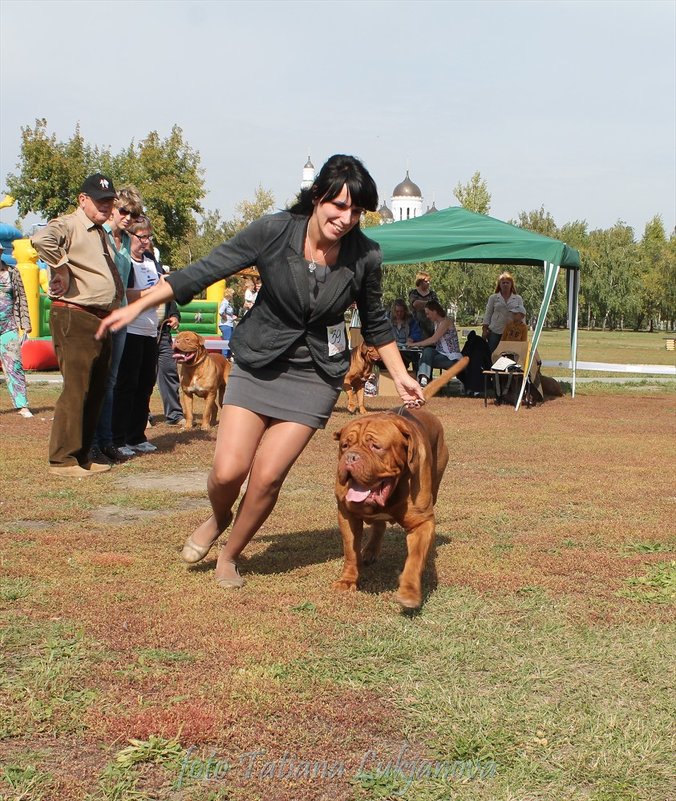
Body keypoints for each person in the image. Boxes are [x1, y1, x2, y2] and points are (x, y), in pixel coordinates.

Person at [96, 154, 424, 588]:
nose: (347, 219)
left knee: (268, 476)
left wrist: (399, 373)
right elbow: (209, 267)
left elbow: (377, 320)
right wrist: (140, 303)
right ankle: (217, 518)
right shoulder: (274, 231)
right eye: (339, 206)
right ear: (317, 197)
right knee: (229, 472)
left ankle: (230, 555)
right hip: (257, 361)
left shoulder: (365, 256)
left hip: (314, 376)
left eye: (357, 211)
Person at [31, 173, 124, 477]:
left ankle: (83, 455)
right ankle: (62, 460)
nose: (106, 206)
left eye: (110, 201)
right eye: (100, 201)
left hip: (99, 318)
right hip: (75, 314)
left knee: (95, 389)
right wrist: (61, 266)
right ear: (83, 200)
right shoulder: (70, 223)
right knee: (76, 389)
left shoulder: (100, 231)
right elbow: (40, 238)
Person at [90, 186, 144, 464]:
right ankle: (93, 443)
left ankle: (107, 441)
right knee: (97, 381)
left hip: (121, 318)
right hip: (100, 316)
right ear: (112, 208)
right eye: (124, 211)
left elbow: (124, 289)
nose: (128, 217)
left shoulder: (124, 242)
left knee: (110, 382)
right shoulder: (100, 237)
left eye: (133, 214)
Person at [111, 217, 162, 455]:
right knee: (126, 386)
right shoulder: (124, 261)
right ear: (130, 236)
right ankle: (118, 438)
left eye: (148, 237)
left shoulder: (152, 260)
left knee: (145, 385)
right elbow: (125, 294)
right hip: (130, 329)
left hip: (150, 331)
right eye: (141, 237)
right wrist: (153, 291)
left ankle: (137, 435)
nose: (146, 242)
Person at [0, 244, 32, 417]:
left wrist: (25, 323)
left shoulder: (12, 272)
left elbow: (21, 297)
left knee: (15, 365)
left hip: (8, 326)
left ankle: (22, 405)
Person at [408, 299, 462, 387]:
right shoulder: (436, 323)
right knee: (427, 351)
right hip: (441, 354)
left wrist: (413, 344)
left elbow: (433, 340)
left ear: (435, 311)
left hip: (452, 358)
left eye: (428, 313)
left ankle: (423, 380)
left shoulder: (446, 322)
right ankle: (424, 379)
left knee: (423, 360)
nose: (427, 316)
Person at [482, 271, 526, 355]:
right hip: (495, 330)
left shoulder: (517, 298)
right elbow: (488, 314)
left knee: (509, 354)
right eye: (503, 283)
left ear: (511, 284)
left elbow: (522, 314)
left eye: (507, 283)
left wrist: (522, 328)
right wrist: (484, 329)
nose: (505, 285)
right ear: (499, 284)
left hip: (512, 332)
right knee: (492, 353)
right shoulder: (493, 298)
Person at [388, 298, 421, 373]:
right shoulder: (388, 321)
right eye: (397, 311)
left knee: (415, 357)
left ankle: (417, 376)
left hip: (407, 350)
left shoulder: (411, 321)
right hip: (392, 349)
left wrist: (412, 338)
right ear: (393, 311)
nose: (399, 313)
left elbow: (417, 333)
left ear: (405, 311)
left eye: (401, 311)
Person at [408, 272, 439, 337]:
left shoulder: (432, 294)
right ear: (420, 282)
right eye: (426, 281)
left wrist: (423, 304)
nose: (428, 283)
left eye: (429, 281)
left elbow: (436, 306)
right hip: (416, 326)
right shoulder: (414, 293)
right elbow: (415, 304)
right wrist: (430, 303)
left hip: (431, 327)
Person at [218, 286, 237, 357]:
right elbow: (220, 312)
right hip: (226, 325)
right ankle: (224, 357)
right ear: (229, 294)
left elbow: (227, 312)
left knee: (229, 341)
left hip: (229, 324)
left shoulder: (228, 303)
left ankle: (228, 356)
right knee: (226, 342)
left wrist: (232, 317)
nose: (233, 296)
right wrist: (224, 317)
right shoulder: (225, 302)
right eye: (232, 294)